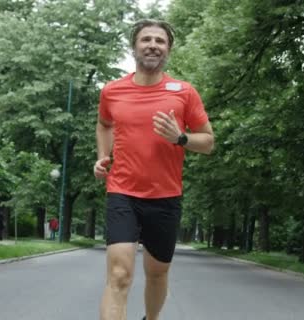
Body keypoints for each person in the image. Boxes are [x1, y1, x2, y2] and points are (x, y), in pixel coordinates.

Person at [94, 19, 214, 320]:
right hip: (122, 192)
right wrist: (103, 156)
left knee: (157, 274)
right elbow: (105, 123)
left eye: (160, 41)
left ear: (168, 50)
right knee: (120, 274)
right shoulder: (112, 91)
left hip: (165, 195)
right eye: (146, 39)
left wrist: (181, 138)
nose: (153, 45)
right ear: (134, 46)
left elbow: (208, 141)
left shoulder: (184, 93)